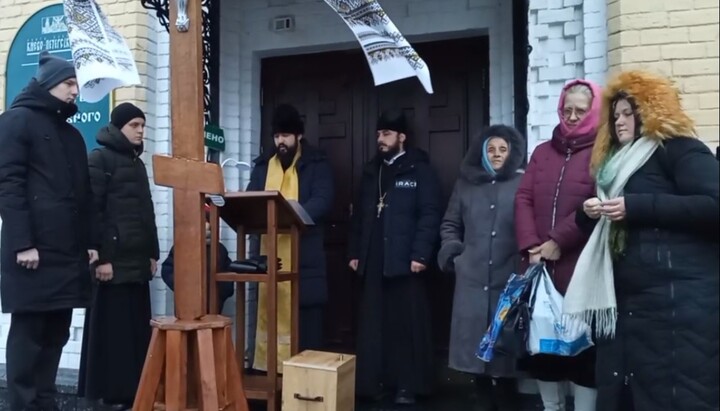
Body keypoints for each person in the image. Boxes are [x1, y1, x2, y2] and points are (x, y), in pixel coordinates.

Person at [565, 70, 719, 411]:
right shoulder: (613, 168)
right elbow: (616, 233)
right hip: (631, 308)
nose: (619, 122)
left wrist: (637, 206)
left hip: (678, 307)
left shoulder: (678, 150)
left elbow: (713, 204)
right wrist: (587, 214)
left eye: (627, 113)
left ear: (648, 111)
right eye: (615, 115)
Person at [0, 51, 99, 411]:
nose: (76, 91)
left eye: (76, 83)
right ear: (48, 84)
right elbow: (8, 186)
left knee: (56, 332)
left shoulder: (72, 136)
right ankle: (24, 405)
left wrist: (91, 242)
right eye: (69, 83)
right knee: (29, 336)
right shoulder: (15, 122)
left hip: (67, 254)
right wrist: (23, 243)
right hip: (33, 253)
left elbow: (83, 195)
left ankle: (44, 404)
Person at [514, 79, 602, 411]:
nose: (573, 116)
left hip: (580, 268)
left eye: (581, 110)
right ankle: (552, 407)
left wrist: (557, 241)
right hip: (540, 267)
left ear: (593, 112)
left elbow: (597, 204)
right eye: (568, 110)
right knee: (544, 349)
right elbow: (523, 197)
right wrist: (532, 245)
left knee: (583, 351)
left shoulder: (602, 153)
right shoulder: (542, 152)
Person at [348, 109, 442, 405]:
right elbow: (360, 217)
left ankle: (407, 386)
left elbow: (430, 214)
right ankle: (374, 383)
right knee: (374, 325)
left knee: (406, 325)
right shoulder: (371, 171)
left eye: (387, 134)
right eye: (378, 134)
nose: (381, 139)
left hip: (406, 260)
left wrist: (420, 254)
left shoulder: (419, 170)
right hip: (374, 260)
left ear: (402, 137)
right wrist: (354, 252)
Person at [77, 103, 159, 410]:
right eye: (135, 125)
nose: (140, 130)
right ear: (119, 127)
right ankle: (111, 394)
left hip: (137, 265)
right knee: (113, 334)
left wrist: (152, 253)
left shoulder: (137, 164)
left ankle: (133, 392)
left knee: (135, 332)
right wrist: (102, 258)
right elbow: (93, 211)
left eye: (143, 125)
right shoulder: (100, 160)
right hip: (113, 265)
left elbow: (145, 213)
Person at [438, 125, 526, 411]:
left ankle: (507, 398)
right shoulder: (465, 184)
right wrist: (454, 255)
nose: (497, 155)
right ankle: (482, 397)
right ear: (482, 153)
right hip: (472, 278)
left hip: (509, 276)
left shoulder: (522, 183)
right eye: (491, 149)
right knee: (475, 350)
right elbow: (450, 223)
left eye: (502, 149)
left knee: (505, 347)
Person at [246, 104, 334, 372]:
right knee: (268, 317)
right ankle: (266, 376)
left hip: (303, 258)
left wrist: (292, 214)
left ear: (298, 136)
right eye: (276, 136)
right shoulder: (263, 166)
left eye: (285, 136)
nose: (280, 142)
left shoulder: (316, 164)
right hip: (267, 259)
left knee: (305, 326)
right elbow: (251, 200)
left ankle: (304, 382)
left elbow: (323, 199)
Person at [161, 204, 235, 313]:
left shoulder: (219, 249)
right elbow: (168, 269)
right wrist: (183, 288)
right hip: (186, 305)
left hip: (213, 307)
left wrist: (219, 295)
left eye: (206, 222)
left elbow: (228, 275)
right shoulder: (182, 247)